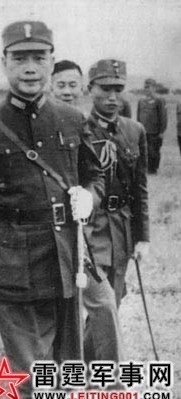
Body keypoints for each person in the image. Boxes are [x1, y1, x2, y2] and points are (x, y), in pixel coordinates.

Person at [0, 21, 104, 399]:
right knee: (30, 376)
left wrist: (89, 196)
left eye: (39, 57)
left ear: (52, 62)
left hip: (64, 259)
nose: (30, 68)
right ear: (4, 62)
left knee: (58, 371)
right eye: (19, 58)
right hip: (10, 265)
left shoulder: (72, 119)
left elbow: (95, 175)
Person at [51, 59, 124, 365]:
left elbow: (96, 178)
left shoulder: (83, 125)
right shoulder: (34, 127)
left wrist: (88, 199)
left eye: (73, 85)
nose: (67, 92)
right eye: (61, 85)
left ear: (82, 88)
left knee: (104, 302)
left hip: (84, 235)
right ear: (50, 86)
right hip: (46, 236)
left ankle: (113, 381)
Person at [86, 59, 149, 309]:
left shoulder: (135, 130)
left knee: (115, 297)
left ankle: (102, 338)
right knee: (99, 300)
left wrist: (143, 237)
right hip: (91, 226)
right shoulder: (79, 128)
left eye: (118, 89)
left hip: (121, 227)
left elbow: (139, 188)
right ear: (90, 89)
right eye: (105, 89)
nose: (112, 97)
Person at [136, 78, 168, 173]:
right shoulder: (141, 100)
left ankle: (153, 169)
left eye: (148, 87)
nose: (146, 89)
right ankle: (145, 168)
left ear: (154, 88)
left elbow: (163, 116)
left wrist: (162, 131)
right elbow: (138, 116)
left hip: (154, 131)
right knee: (143, 150)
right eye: (145, 87)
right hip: (143, 130)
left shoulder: (159, 100)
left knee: (153, 151)